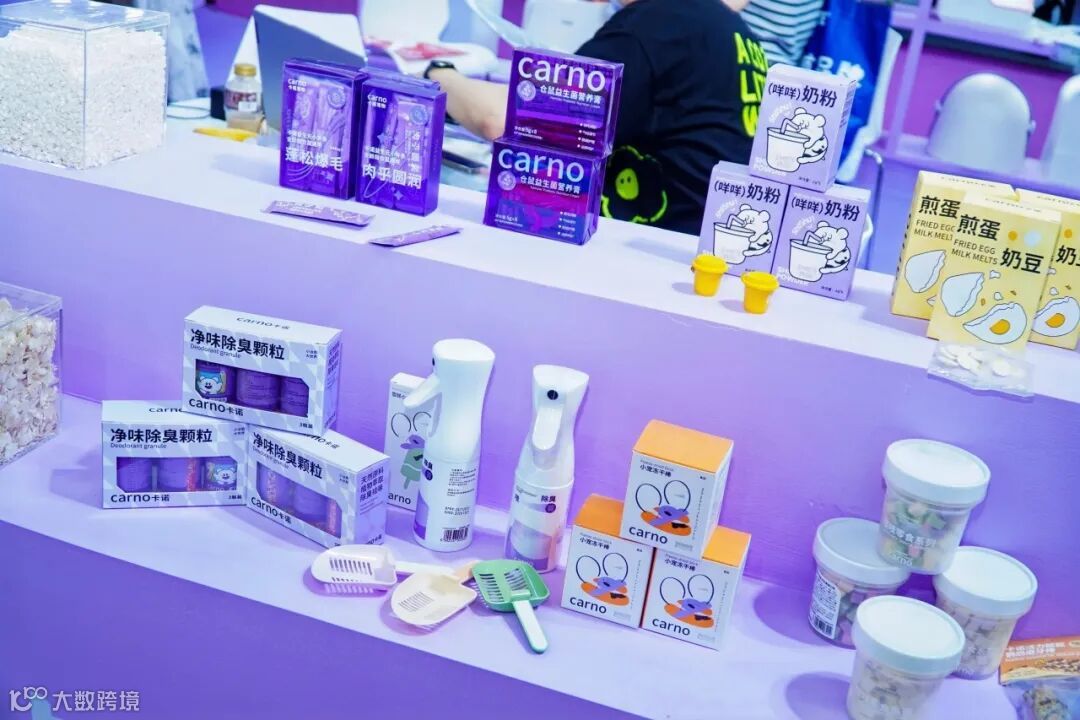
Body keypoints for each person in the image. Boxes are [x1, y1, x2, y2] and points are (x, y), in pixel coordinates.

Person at [428, 0, 768, 235]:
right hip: (697, 243)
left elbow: (509, 121)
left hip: (648, 253)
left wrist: (437, 74)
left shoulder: (656, 25)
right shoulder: (729, 29)